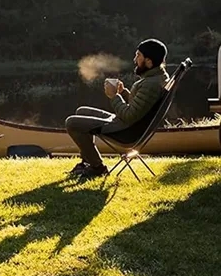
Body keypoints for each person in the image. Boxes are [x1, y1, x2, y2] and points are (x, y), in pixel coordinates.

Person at [65, 39, 170, 178]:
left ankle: (97, 167)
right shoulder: (157, 78)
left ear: (149, 61)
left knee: (72, 123)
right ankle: (87, 162)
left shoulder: (150, 84)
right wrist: (124, 93)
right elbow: (139, 107)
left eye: (138, 56)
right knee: (82, 111)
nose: (135, 59)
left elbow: (129, 116)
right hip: (129, 125)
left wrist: (114, 96)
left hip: (127, 132)